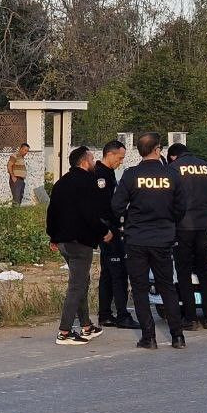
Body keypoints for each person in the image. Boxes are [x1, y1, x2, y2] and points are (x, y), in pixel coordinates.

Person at [111, 132, 186, 350]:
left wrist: (126, 222)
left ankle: (149, 337)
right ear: (157, 149)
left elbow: (116, 207)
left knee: (140, 288)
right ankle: (177, 337)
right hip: (163, 240)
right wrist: (168, 223)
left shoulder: (130, 175)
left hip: (136, 239)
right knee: (167, 288)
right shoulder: (171, 175)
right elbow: (181, 208)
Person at [46, 146, 111, 345]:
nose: (94, 162)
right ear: (84, 161)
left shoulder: (60, 183)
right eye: (92, 158)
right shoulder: (87, 182)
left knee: (81, 281)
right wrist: (104, 231)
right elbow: (90, 214)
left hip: (63, 242)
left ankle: (86, 326)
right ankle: (64, 332)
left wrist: (53, 237)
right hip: (80, 243)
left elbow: (52, 212)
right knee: (77, 286)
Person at [167, 142, 207, 330]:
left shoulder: (173, 168)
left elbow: (169, 198)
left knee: (184, 273)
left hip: (182, 227)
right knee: (205, 272)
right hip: (204, 225)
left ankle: (190, 318)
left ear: (173, 156)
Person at [94, 140, 138, 330]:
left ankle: (105, 314)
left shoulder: (109, 173)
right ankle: (122, 314)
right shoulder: (100, 176)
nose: (121, 162)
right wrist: (108, 229)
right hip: (108, 232)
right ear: (110, 154)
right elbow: (101, 208)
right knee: (118, 273)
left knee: (107, 274)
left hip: (111, 230)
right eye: (119, 158)